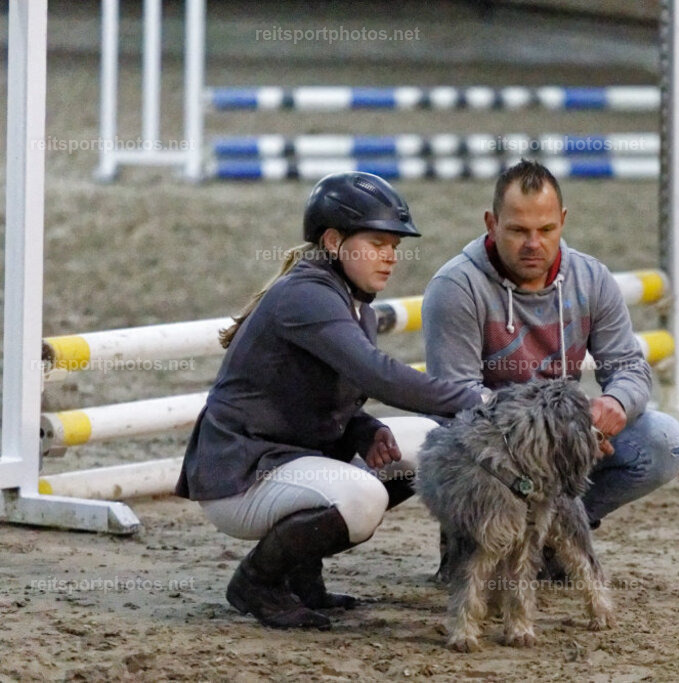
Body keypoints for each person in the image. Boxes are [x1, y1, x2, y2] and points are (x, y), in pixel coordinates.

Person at [175, 172, 485, 630]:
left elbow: (325, 391)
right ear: (334, 241)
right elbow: (380, 376)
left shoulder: (355, 303)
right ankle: (256, 582)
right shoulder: (307, 295)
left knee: (436, 445)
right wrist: (478, 402)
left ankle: (301, 574)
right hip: (241, 478)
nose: (390, 258)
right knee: (362, 500)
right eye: (378, 243)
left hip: (284, 462)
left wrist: (365, 429)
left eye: (394, 248)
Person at [422, 159, 679, 541]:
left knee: (665, 441)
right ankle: (481, 541)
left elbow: (629, 365)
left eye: (546, 229)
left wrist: (614, 403)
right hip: (491, 455)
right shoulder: (455, 287)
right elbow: (456, 399)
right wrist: (551, 433)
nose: (534, 244)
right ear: (491, 223)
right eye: (518, 230)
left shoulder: (592, 278)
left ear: (563, 220)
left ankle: (555, 537)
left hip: (563, 437)